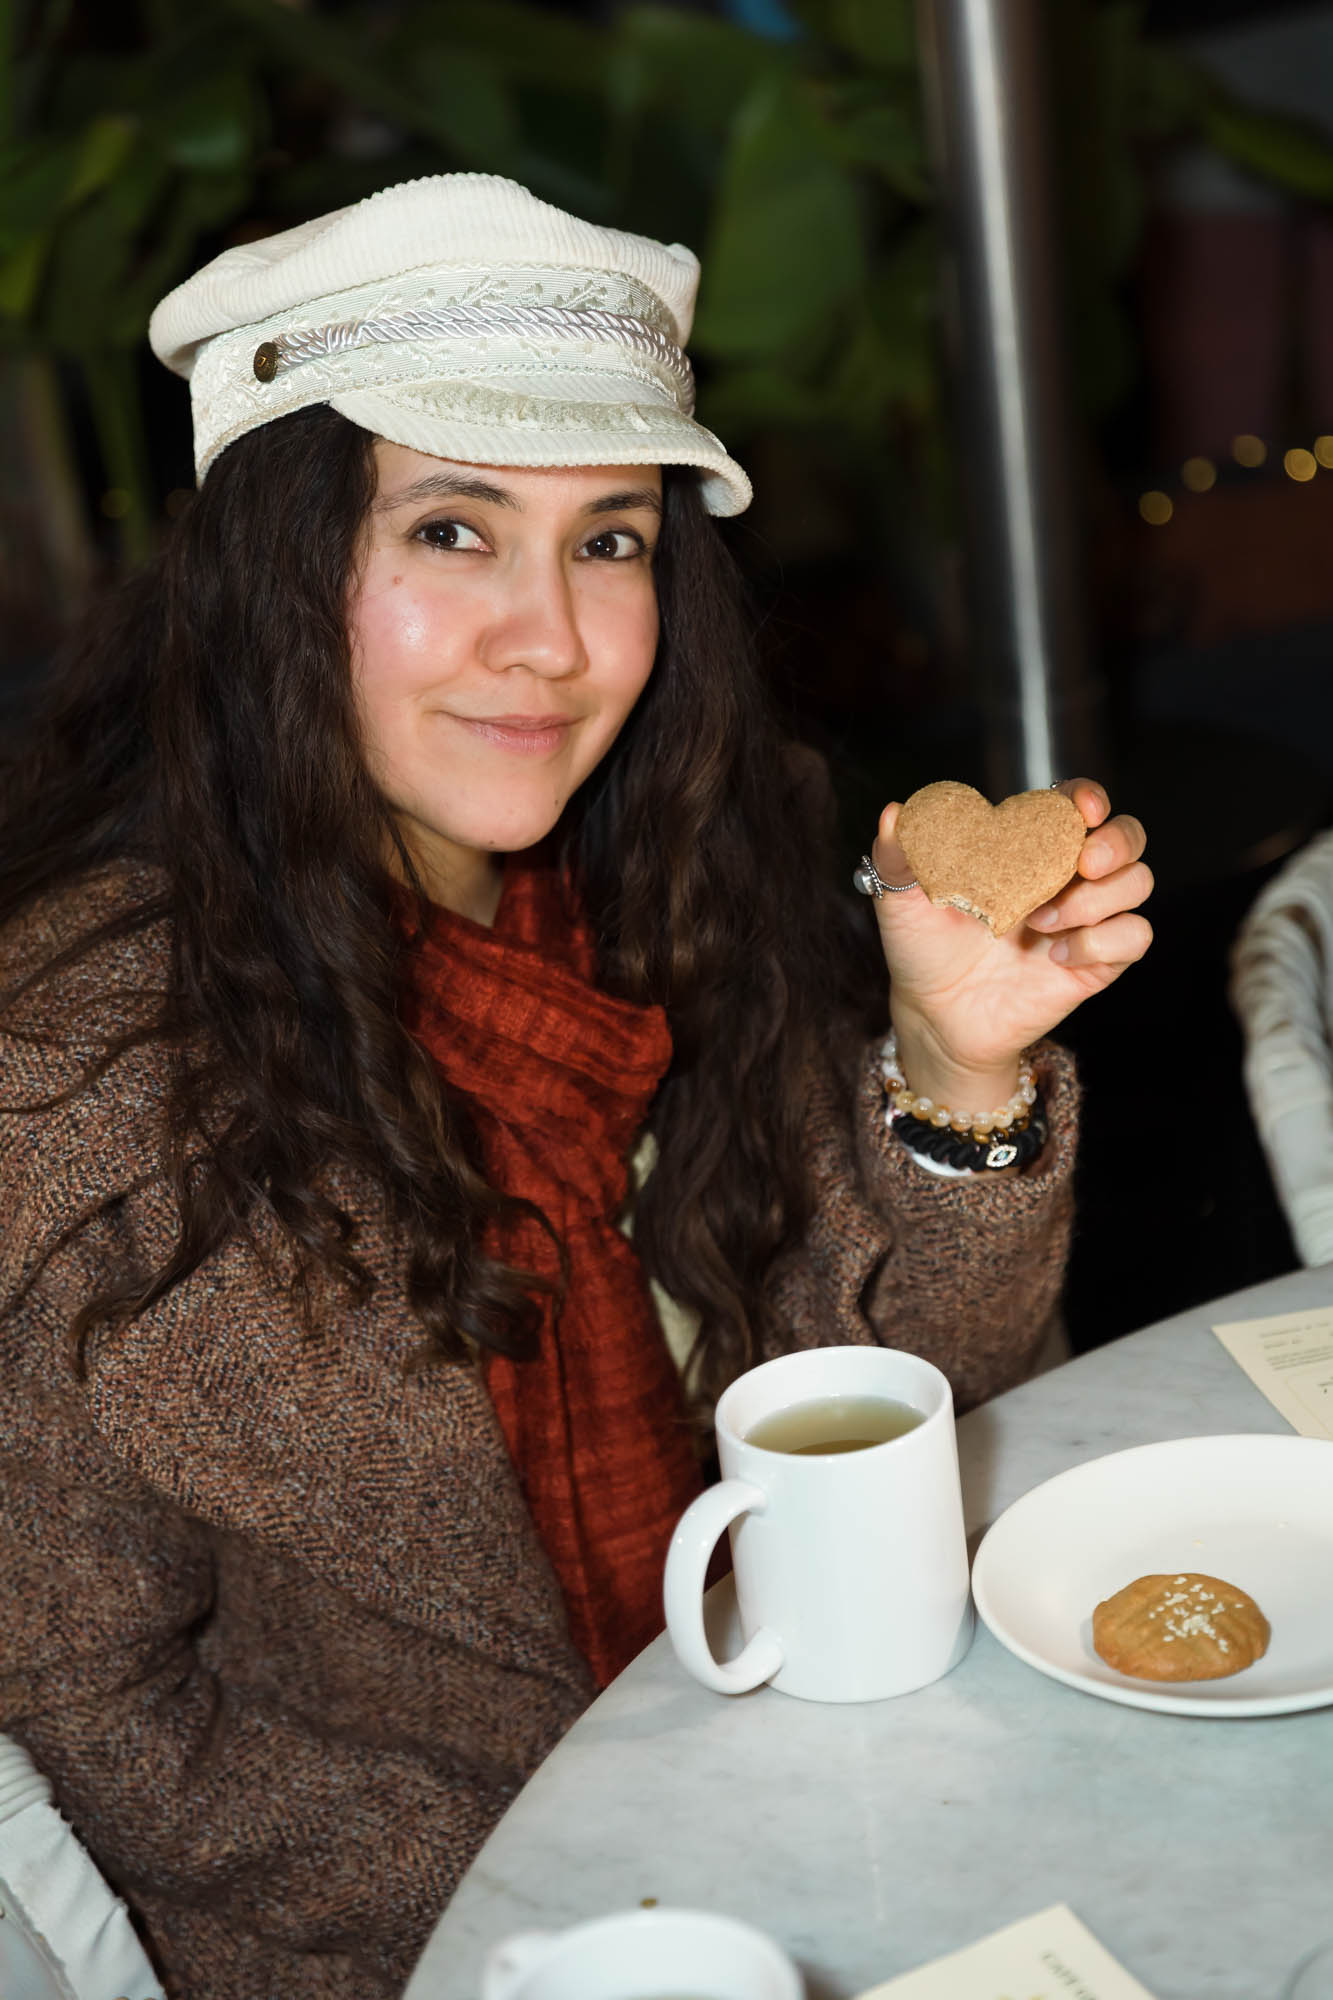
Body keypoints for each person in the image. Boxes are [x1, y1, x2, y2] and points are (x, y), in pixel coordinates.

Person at [0, 176, 1151, 1999]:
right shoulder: (85, 1083)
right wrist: (617, 1868)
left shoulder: (681, 874)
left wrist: (954, 1064)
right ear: (272, 575)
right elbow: (89, 1714)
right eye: (454, 529)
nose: (549, 636)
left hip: (829, 1773)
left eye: (608, 540)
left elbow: (900, 1434)